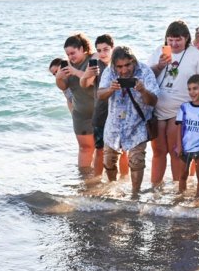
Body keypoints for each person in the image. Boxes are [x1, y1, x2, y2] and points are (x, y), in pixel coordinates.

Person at [148, 21, 199, 186]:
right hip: (158, 109)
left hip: (182, 110)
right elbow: (147, 76)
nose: (174, 44)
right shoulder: (158, 52)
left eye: (178, 40)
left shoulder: (195, 55)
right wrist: (159, 66)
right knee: (159, 151)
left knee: (177, 152)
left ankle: (179, 191)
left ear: (186, 38)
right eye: (170, 40)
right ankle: (155, 190)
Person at [97, 46, 158, 194]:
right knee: (108, 161)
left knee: (137, 161)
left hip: (137, 123)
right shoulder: (109, 71)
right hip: (114, 125)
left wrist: (143, 91)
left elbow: (154, 100)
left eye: (127, 65)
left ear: (134, 61)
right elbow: (100, 94)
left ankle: (135, 195)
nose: (124, 70)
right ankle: (114, 190)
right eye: (119, 67)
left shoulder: (144, 71)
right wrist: (110, 89)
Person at [81, 34, 128, 178]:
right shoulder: (95, 65)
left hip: (121, 114)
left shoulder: (122, 65)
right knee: (100, 150)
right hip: (101, 114)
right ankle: (97, 182)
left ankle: (124, 181)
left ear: (113, 49)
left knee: (124, 150)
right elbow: (85, 84)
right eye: (99, 50)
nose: (102, 53)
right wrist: (87, 74)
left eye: (106, 49)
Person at [55, 33, 99, 176]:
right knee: (84, 148)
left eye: (73, 53)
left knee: (102, 148)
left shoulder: (93, 59)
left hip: (100, 112)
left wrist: (75, 71)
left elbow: (91, 80)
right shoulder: (68, 66)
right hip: (81, 114)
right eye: (68, 54)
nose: (71, 57)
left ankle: (101, 179)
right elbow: (63, 87)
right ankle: (85, 180)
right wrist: (59, 78)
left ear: (82, 49)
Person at [175, 74, 199, 196]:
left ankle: (198, 199)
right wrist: (179, 145)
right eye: (189, 89)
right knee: (182, 175)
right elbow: (179, 127)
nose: (192, 92)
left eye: (195, 88)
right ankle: (180, 198)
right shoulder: (184, 108)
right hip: (185, 147)